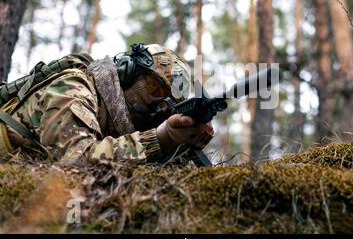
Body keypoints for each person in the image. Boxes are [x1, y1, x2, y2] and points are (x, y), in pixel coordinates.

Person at [0, 43, 214, 166]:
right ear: (127, 71)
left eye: (167, 103)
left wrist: (177, 146)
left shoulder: (118, 124)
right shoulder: (74, 87)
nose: (157, 104)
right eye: (153, 88)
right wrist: (159, 138)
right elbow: (75, 161)